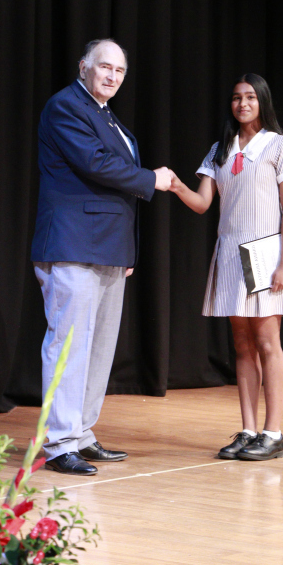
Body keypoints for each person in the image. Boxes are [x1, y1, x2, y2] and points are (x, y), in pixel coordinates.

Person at [31, 39, 171, 475]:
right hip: (73, 243)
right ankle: (59, 444)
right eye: (105, 67)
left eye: (120, 70)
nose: (112, 76)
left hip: (108, 247)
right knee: (69, 345)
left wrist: (126, 250)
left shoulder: (106, 115)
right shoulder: (66, 106)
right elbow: (94, 164)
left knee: (99, 347)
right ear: (83, 67)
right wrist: (150, 178)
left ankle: (81, 433)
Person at [169, 74, 283, 461]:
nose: (242, 103)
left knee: (267, 342)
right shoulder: (220, 149)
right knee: (242, 345)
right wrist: (176, 184)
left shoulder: (280, 146)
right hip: (230, 252)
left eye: (250, 97)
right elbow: (202, 203)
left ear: (263, 101)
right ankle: (248, 430)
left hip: (265, 252)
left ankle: (273, 433)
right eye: (236, 98)